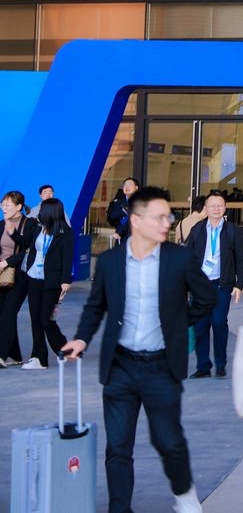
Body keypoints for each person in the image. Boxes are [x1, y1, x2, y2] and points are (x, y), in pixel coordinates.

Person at [62, 186, 213, 513]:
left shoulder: (179, 258)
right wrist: (82, 338)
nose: (166, 223)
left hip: (161, 367)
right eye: (159, 217)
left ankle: (185, 496)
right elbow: (96, 306)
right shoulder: (110, 262)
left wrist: (178, 323)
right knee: (118, 447)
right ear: (136, 220)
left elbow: (207, 298)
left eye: (168, 217)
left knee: (168, 441)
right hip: (120, 367)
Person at [183, 189, 243, 378]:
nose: (216, 209)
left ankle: (220, 364)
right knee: (200, 326)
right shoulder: (198, 229)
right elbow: (187, 257)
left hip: (222, 285)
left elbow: (240, 260)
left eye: (220, 205)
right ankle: (203, 367)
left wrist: (239, 284)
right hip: (200, 286)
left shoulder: (232, 230)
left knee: (219, 322)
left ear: (225, 208)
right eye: (212, 206)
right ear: (206, 208)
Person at [20, 196, 75, 368]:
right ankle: (38, 358)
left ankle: (63, 348)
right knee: (35, 320)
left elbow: (67, 258)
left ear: (51, 212)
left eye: (42, 210)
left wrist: (66, 280)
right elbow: (26, 244)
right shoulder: (38, 228)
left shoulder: (65, 234)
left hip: (53, 281)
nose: (39, 213)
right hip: (33, 277)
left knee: (46, 319)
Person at [0, 189, 34, 367]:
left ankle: (1, 354)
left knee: (8, 312)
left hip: (20, 275)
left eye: (7, 205)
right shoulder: (1, 224)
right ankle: (14, 355)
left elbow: (29, 250)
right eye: (2, 204)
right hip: (1, 274)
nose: (4, 208)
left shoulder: (30, 224)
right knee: (4, 313)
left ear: (19, 206)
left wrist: (6, 262)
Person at [106, 177, 138, 245]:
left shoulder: (142, 203)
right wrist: (125, 211)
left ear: (136, 187)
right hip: (121, 239)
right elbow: (111, 217)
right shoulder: (118, 202)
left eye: (130, 184)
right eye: (125, 185)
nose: (127, 186)